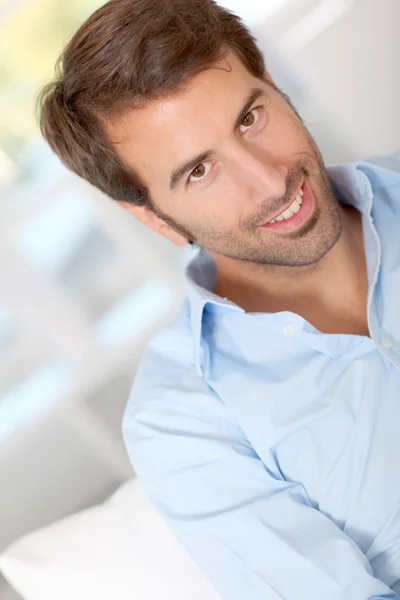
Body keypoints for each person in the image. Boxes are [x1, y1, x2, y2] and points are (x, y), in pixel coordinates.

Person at [37, 0, 400, 598]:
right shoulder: (182, 423)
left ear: (276, 87)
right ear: (155, 218)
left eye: (250, 119)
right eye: (199, 172)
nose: (269, 180)